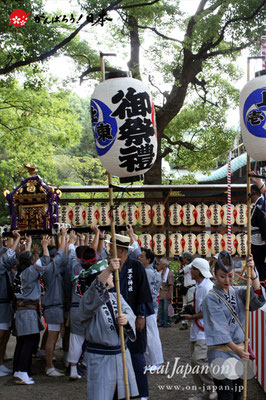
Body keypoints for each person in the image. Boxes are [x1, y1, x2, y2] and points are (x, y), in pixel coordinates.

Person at [202, 250, 266, 400]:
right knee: (226, 394)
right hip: (221, 352)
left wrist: (254, 273)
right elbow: (219, 329)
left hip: (238, 353)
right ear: (214, 275)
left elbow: (257, 296)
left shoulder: (237, 292)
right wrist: (238, 350)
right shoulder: (211, 298)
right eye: (222, 276)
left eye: (230, 276)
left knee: (238, 393)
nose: (227, 280)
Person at [79, 256, 139, 400]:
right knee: (102, 396)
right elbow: (95, 290)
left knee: (124, 395)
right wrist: (108, 269)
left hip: (122, 355)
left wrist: (126, 319)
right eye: (109, 274)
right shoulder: (88, 300)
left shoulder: (116, 297)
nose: (112, 275)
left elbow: (130, 314)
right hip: (101, 358)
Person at [110, 234, 153, 400]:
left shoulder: (136, 266)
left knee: (136, 355)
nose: (108, 251)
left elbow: (143, 291)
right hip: (116, 318)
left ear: (120, 250)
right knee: (118, 357)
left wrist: (141, 315)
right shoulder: (110, 266)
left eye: (111, 248)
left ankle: (142, 394)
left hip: (134, 317)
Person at [12, 234, 50, 385]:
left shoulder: (17, 273)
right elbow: (45, 261)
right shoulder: (28, 273)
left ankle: (19, 369)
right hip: (27, 311)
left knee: (23, 342)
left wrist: (28, 244)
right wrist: (45, 246)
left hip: (21, 310)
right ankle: (21, 372)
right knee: (28, 342)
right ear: (30, 262)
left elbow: (26, 259)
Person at [181, 257, 217, 400]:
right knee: (194, 362)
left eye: (192, 269)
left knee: (199, 359)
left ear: (198, 271)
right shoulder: (199, 285)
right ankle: (203, 392)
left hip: (205, 330)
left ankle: (213, 387)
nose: (190, 271)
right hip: (197, 329)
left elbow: (208, 311)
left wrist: (191, 317)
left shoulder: (207, 287)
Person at [41, 230, 67, 377]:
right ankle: (49, 367)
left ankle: (50, 365)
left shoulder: (50, 268)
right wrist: (63, 237)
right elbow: (61, 254)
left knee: (54, 336)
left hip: (54, 306)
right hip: (53, 306)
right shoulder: (50, 268)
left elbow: (60, 256)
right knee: (52, 337)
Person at [138, 248, 163, 370]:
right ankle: (150, 361)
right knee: (149, 334)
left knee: (151, 335)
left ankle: (156, 362)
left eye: (142, 256)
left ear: (148, 260)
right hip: (151, 305)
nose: (139, 258)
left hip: (148, 306)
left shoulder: (147, 273)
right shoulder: (154, 272)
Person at [0, 231, 20, 377]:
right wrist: (17, 238)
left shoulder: (5, 269)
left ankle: (0, 363)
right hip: (1, 305)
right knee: (0, 336)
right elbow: (8, 258)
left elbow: (11, 258)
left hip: (7, 304)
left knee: (5, 336)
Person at [249, 184, 266, 283]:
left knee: (260, 266)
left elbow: (263, 225)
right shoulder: (257, 204)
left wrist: (265, 239)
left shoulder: (261, 203)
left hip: (260, 242)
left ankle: (262, 285)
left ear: (254, 193)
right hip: (256, 241)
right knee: (257, 265)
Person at [178, 252, 195, 330]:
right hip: (187, 288)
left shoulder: (189, 266)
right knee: (185, 306)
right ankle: (184, 323)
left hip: (191, 288)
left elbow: (179, 272)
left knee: (190, 306)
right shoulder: (189, 266)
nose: (182, 259)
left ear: (186, 258)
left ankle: (192, 322)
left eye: (183, 258)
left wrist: (179, 263)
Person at [157, 257, 174, 328]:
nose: (159, 265)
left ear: (164, 265)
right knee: (160, 309)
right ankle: (162, 321)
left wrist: (170, 294)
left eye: (160, 264)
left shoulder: (169, 273)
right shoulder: (160, 273)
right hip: (161, 293)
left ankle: (168, 321)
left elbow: (171, 285)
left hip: (167, 293)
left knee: (167, 308)